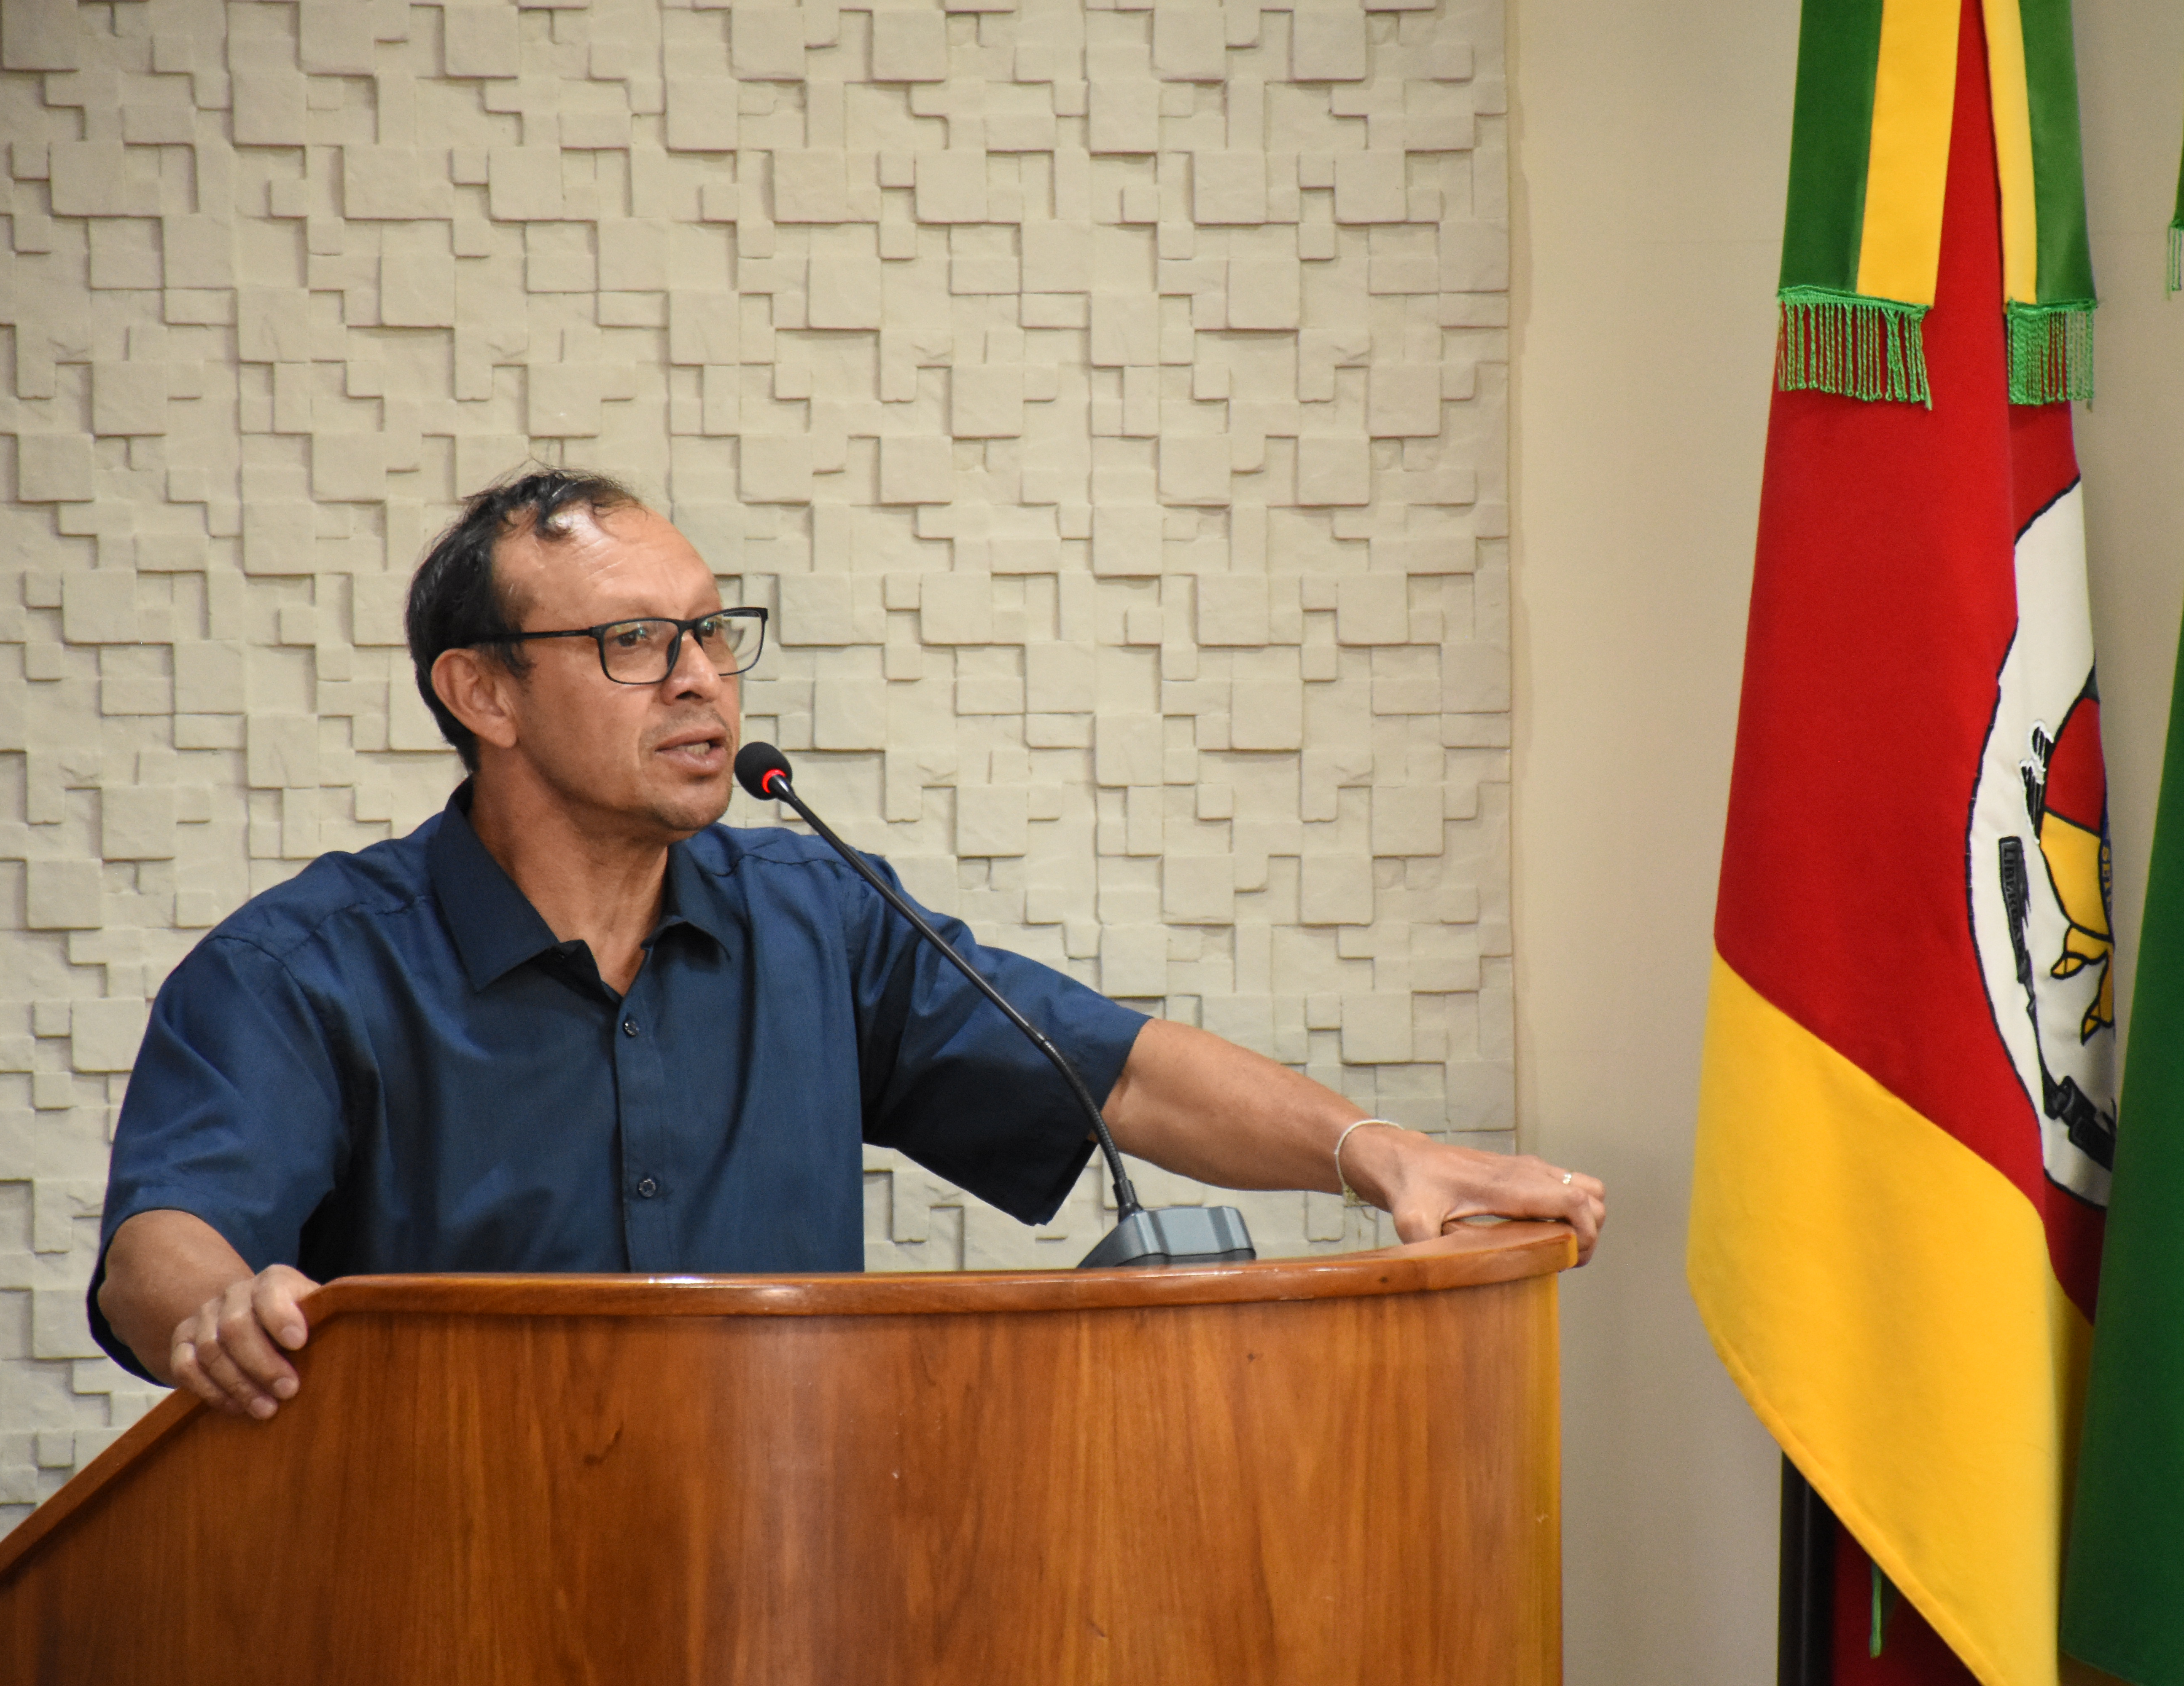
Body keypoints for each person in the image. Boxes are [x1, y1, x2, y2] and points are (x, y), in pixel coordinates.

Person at [91, 469, 1606, 1422]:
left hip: (794, 1583)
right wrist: (214, 1310)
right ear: (482, 693)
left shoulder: (812, 919)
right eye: (633, 643)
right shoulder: (305, 971)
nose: (700, 679)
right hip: (452, 1593)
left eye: (711, 631)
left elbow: (1114, 1075)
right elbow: (168, 1241)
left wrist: (1378, 1155)